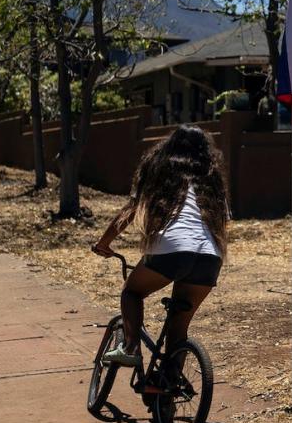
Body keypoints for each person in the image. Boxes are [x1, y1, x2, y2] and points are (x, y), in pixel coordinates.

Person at [92, 124, 229, 366]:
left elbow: (131, 211)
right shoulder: (211, 179)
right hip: (210, 256)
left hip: (172, 249)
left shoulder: (159, 170)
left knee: (132, 292)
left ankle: (131, 346)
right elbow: (221, 221)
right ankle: (168, 389)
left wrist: (104, 243)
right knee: (178, 328)